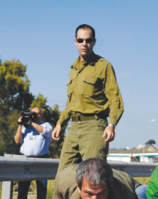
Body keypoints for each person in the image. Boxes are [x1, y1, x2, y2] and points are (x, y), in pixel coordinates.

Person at [51, 24, 124, 171]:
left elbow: (115, 98)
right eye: (80, 40)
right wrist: (60, 123)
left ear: (94, 42)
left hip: (94, 127)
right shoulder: (73, 68)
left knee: (93, 176)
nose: (84, 44)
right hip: (73, 127)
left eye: (88, 40)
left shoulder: (103, 66)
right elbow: (71, 102)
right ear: (75, 42)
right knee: (63, 177)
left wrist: (112, 125)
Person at [14, 107, 52, 199]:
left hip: (42, 158)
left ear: (41, 115)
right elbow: (17, 140)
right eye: (32, 113)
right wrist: (20, 125)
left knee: (42, 184)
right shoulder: (25, 127)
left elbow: (44, 131)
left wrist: (31, 123)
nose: (34, 115)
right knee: (23, 184)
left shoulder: (46, 125)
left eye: (37, 113)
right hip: (26, 159)